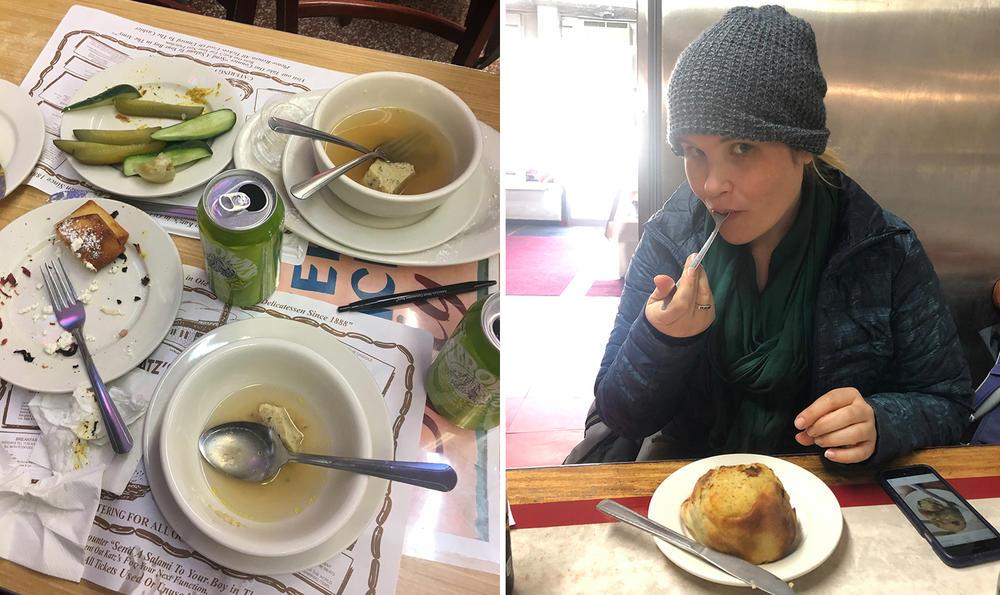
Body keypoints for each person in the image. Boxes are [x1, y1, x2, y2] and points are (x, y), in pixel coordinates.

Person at [566, 5, 972, 466]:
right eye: (693, 151)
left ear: (803, 148)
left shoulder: (883, 250)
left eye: (742, 148)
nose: (711, 184)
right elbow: (621, 416)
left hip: (829, 492)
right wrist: (663, 340)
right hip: (689, 486)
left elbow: (950, 403)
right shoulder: (670, 240)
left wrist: (882, 421)